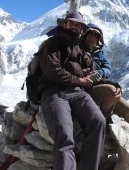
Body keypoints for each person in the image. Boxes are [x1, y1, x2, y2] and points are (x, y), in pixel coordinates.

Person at [38, 13, 106, 170]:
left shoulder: (79, 49)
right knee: (64, 135)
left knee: (98, 122)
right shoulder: (51, 44)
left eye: (79, 25)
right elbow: (52, 71)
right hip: (54, 92)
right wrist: (79, 80)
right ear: (64, 24)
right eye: (73, 23)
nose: (76, 27)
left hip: (77, 92)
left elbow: (92, 69)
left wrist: (115, 87)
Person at [81, 23, 129, 138]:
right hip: (84, 88)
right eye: (90, 34)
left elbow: (107, 69)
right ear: (84, 35)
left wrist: (100, 73)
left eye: (96, 35)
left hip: (99, 85)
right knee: (111, 90)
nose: (92, 37)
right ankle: (105, 118)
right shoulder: (77, 49)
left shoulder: (100, 53)